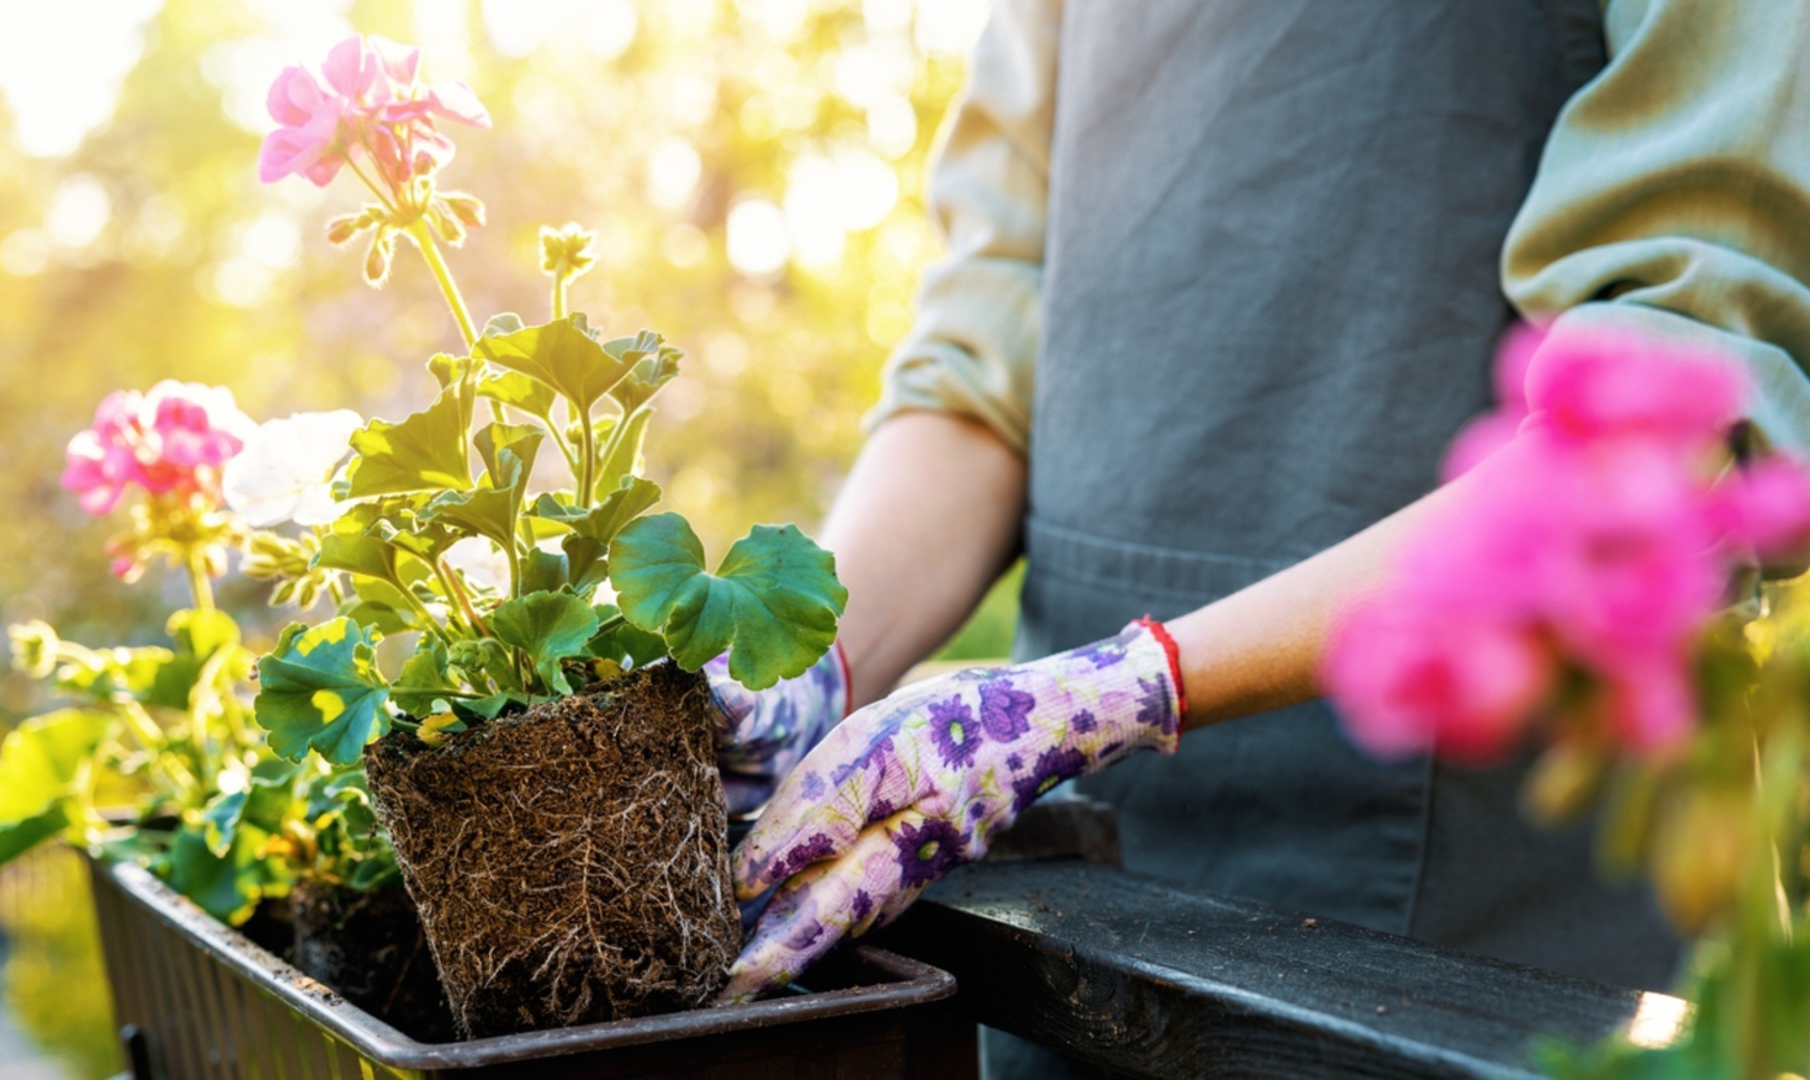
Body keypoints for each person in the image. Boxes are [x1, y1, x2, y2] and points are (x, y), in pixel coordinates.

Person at [706, 0, 1810, 1063]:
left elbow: (1673, 420)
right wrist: (813, 666)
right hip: (1065, 884)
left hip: (1465, 923)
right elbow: (981, 368)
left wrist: (1106, 696)